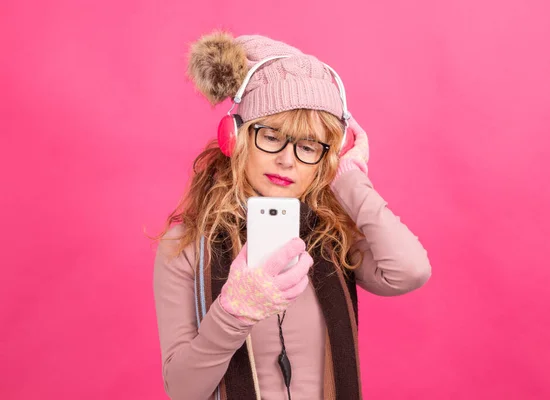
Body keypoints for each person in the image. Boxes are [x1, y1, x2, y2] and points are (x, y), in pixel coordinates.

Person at [153, 31, 432, 400]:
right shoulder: (186, 246)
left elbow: (410, 271)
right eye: (271, 136)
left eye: (308, 146)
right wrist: (232, 314)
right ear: (235, 138)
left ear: (324, 159)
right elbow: (182, 390)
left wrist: (349, 180)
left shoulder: (331, 239)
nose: (287, 159)